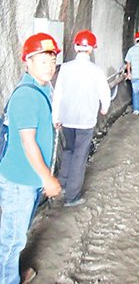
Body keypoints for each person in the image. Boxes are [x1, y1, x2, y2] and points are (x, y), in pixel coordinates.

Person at [0, 32, 62, 284]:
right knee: (12, 239)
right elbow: (28, 143)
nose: (50, 67)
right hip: (20, 180)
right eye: (43, 61)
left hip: (28, 177)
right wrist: (47, 179)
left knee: (17, 232)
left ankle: (11, 274)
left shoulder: (41, 88)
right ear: (28, 61)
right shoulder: (26, 95)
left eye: (53, 61)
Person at [52, 30, 110, 207]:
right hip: (85, 120)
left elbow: (58, 93)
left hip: (67, 118)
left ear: (76, 47)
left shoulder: (65, 68)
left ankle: (62, 185)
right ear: (91, 49)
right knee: (80, 155)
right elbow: (105, 93)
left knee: (68, 150)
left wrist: (56, 116)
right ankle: (72, 196)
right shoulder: (96, 71)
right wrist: (104, 108)